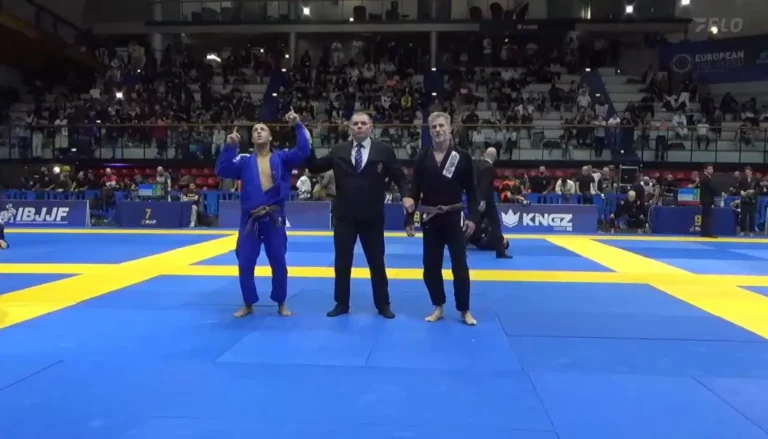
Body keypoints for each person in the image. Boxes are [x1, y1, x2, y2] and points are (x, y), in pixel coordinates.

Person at [305, 112, 408, 319]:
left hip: (372, 216)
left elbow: (400, 177)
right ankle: (341, 303)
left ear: (371, 128)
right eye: (355, 124)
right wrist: (305, 143)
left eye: (363, 123)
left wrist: (406, 196)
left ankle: (383, 304)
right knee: (342, 262)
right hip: (345, 216)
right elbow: (315, 167)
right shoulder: (339, 150)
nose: (359, 126)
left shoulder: (384, 150)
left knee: (377, 262)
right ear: (350, 128)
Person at [215, 108, 311, 318]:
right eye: (255, 130)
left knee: (278, 261)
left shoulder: (283, 158)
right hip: (249, 219)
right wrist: (230, 147)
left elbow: (304, 151)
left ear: (270, 137)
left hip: (274, 218)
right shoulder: (243, 161)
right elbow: (222, 170)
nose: (258, 131)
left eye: (263, 129)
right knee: (245, 262)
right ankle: (248, 303)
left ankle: (281, 302)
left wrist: (297, 125)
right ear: (251, 138)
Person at [404, 112, 479, 326]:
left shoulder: (462, 156)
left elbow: (472, 190)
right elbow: (414, 190)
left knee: (460, 266)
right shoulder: (423, 157)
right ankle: (438, 305)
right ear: (429, 131)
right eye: (433, 127)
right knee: (430, 266)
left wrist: (473, 217)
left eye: (441, 126)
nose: (437, 130)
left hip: (454, 217)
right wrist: (409, 219)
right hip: (430, 218)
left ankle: (464, 309)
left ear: (449, 128)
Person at [474, 147, 511, 258]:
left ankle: (460, 247)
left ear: (485, 154)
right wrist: (483, 201)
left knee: (473, 223)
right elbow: (485, 185)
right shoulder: (490, 168)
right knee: (496, 224)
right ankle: (500, 252)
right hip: (487, 202)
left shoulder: (477, 165)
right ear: (495, 157)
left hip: (475, 199)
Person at [698, 163, 717, 238]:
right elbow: (711, 189)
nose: (711, 170)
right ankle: (707, 233)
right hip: (706, 200)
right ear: (705, 170)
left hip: (706, 200)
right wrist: (720, 193)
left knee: (705, 216)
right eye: (709, 169)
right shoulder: (706, 179)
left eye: (712, 169)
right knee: (707, 217)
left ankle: (703, 233)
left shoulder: (707, 178)